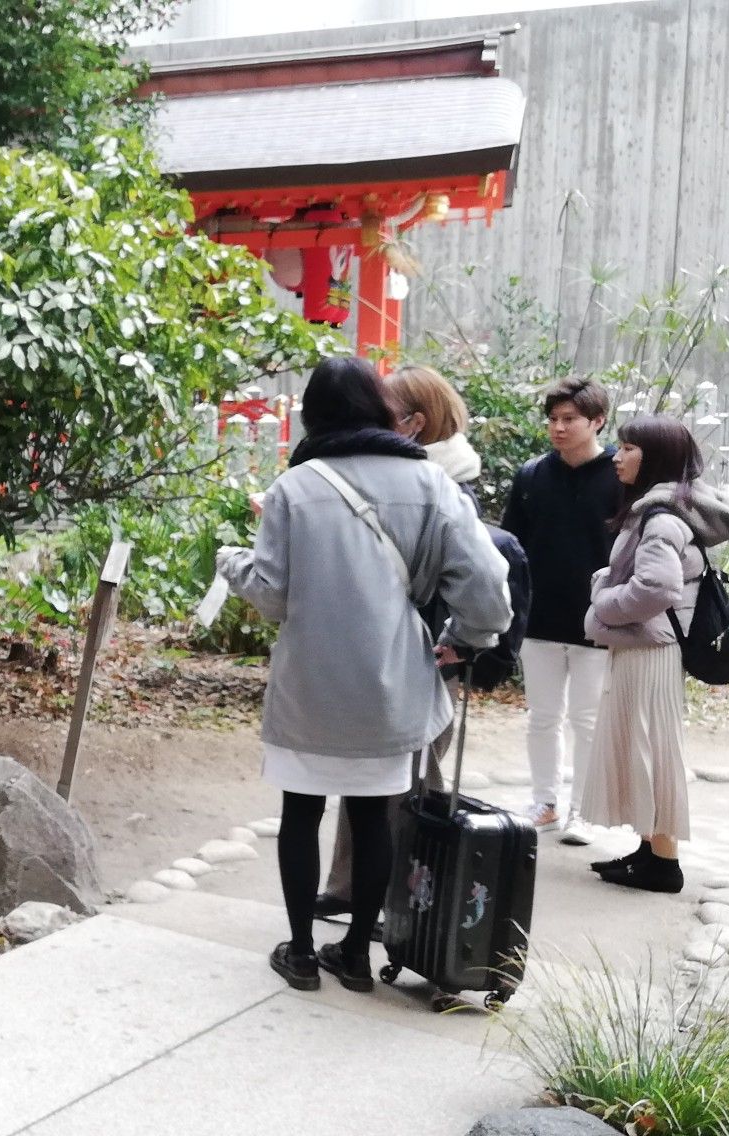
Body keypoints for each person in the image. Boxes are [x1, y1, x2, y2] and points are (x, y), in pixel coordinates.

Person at [218, 356, 512, 992]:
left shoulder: (295, 488)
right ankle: (354, 953)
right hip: (392, 682)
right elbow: (488, 582)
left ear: (312, 416)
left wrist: (233, 563)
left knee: (301, 814)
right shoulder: (431, 485)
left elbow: (272, 594)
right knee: (376, 818)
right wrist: (470, 639)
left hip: (311, 686)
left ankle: (300, 952)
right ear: (380, 410)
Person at [313, 364, 530, 917]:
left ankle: (408, 903)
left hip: (426, 656)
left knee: (408, 785)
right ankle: (348, 888)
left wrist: (461, 641)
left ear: (414, 422)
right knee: (375, 778)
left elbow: (475, 584)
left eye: (384, 407)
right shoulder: (413, 475)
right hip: (390, 651)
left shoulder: (439, 485)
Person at [581, 415, 729, 894]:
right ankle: (648, 851)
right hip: (647, 648)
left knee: (650, 750)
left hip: (649, 649)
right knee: (643, 748)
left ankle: (663, 864)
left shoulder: (660, 518)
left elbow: (656, 586)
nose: (617, 456)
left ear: (655, 458)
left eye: (629, 448)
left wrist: (602, 604)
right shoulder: (663, 512)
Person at [500, 378, 621, 843]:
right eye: (552, 419)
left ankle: (584, 810)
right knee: (542, 716)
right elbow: (512, 547)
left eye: (569, 419)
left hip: (598, 620)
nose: (558, 427)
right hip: (539, 617)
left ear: (597, 421)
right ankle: (544, 801)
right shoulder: (532, 475)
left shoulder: (620, 476)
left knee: (588, 720)